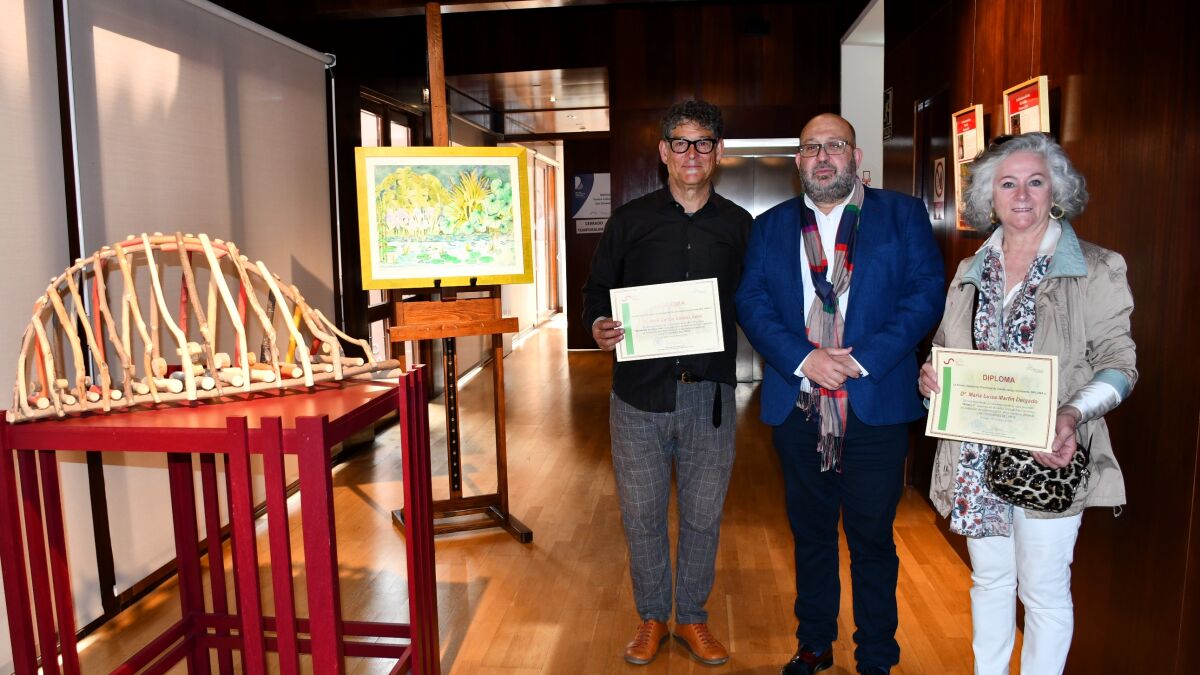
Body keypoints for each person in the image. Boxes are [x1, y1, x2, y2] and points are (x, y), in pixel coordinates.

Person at [919, 132, 1136, 674]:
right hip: (975, 455)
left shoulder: (1097, 268)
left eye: (1035, 182)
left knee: (1043, 591)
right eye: (1007, 184)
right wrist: (933, 376)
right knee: (990, 581)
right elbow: (948, 348)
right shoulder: (970, 268)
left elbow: (1120, 365)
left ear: (1055, 191)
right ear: (988, 197)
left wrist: (1071, 414)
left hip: (1049, 456)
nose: (1021, 195)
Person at [735, 113, 944, 675]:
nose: (822, 157)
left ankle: (876, 653)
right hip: (799, 405)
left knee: (872, 537)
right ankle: (814, 642)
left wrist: (859, 360)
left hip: (875, 404)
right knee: (810, 534)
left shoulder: (902, 214)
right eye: (811, 148)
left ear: (855, 156)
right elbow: (752, 301)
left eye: (834, 146)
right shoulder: (771, 226)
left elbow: (925, 295)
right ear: (798, 161)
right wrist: (805, 359)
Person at [582, 99, 751, 666]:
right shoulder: (630, 222)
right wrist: (598, 325)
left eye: (703, 142)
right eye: (681, 142)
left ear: (718, 152)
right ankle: (653, 616)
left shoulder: (739, 226)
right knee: (642, 517)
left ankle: (693, 617)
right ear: (663, 151)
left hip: (710, 398)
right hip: (637, 396)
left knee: (703, 517)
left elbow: (757, 301)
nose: (691, 153)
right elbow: (596, 293)